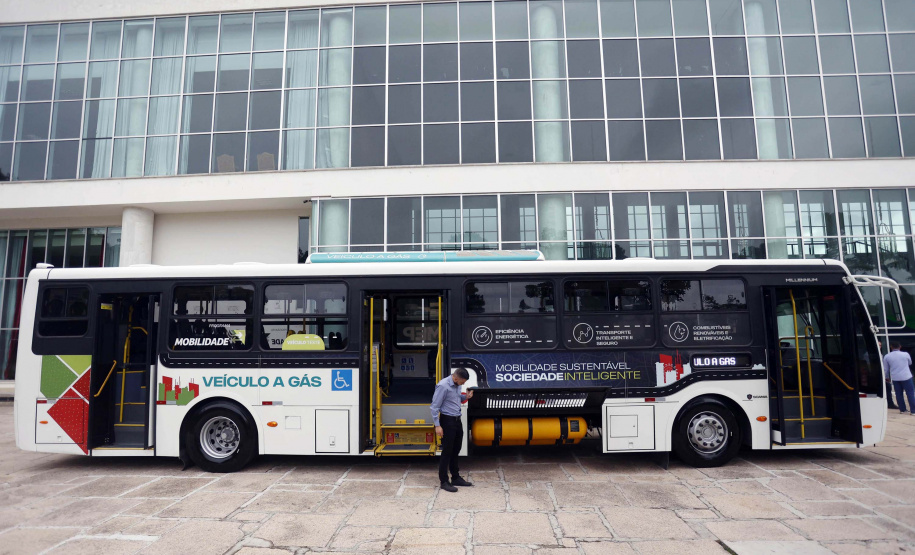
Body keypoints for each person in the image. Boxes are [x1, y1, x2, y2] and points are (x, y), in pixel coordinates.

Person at [430, 368, 474, 492]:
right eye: (462, 381)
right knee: (447, 451)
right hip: (447, 421)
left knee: (456, 449)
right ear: (455, 378)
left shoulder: (457, 385)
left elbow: (456, 398)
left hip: (457, 420)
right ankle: (444, 481)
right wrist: (437, 425)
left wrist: (466, 397)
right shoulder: (443, 386)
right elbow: (434, 407)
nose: (463, 384)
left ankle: (455, 477)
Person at [884, 342, 915, 414]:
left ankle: (903, 410)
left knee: (899, 394)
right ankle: (913, 411)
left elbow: (886, 369)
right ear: (900, 347)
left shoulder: (887, 356)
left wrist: (886, 377)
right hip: (906, 376)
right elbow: (910, 363)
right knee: (910, 393)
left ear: (891, 347)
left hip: (895, 377)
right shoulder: (905, 354)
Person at [880, 341, 899, 410]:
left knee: (888, 388)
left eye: (880, 345)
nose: (880, 346)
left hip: (883, 375)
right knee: (887, 388)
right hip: (879, 375)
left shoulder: (882, 355)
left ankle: (890, 403)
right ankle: (889, 404)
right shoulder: (870, 355)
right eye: (878, 345)